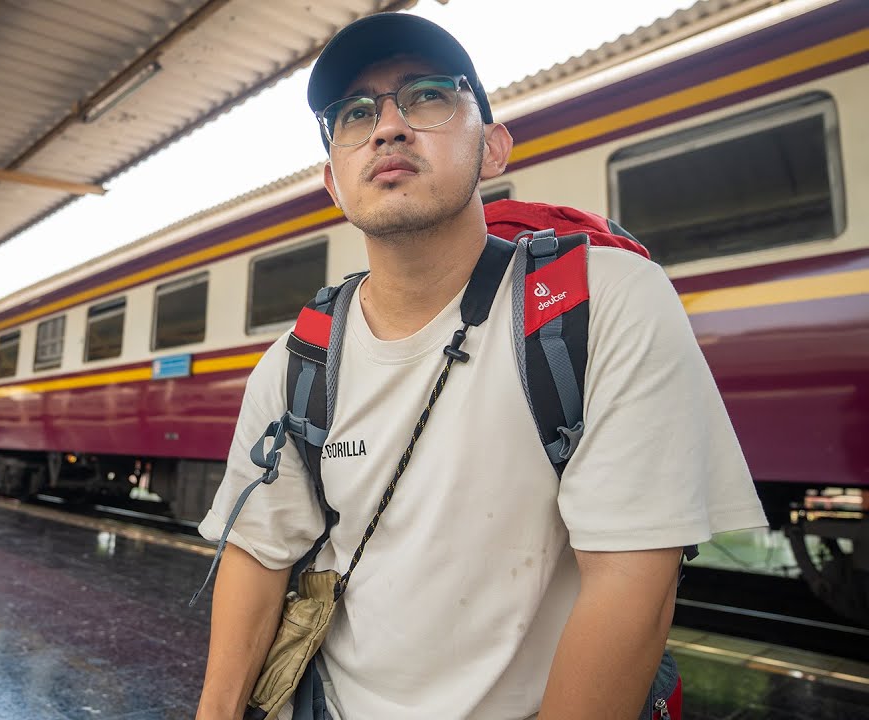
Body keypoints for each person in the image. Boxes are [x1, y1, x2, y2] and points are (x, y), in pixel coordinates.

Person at [194, 12, 768, 720]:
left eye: (429, 96)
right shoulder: (297, 359)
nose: (388, 128)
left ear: (493, 148)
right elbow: (258, 553)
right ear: (333, 182)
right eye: (354, 114)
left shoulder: (601, 300)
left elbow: (632, 587)